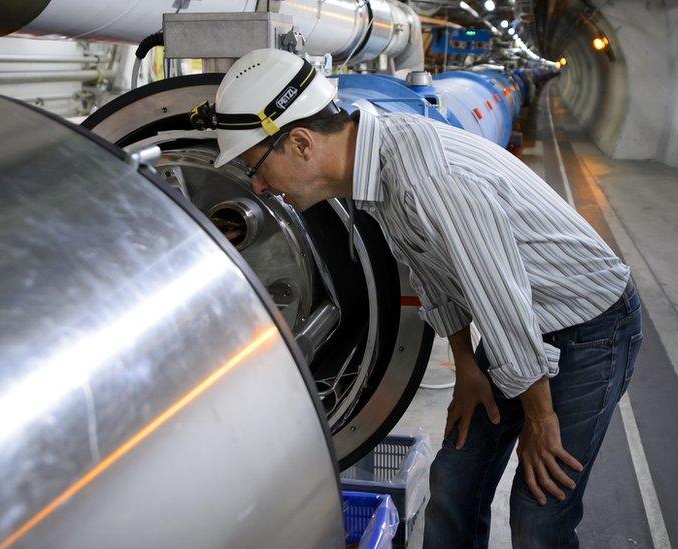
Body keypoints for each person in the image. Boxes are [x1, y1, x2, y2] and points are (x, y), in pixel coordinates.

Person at [196, 48, 644, 548]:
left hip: (589, 323)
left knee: (539, 509)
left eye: (256, 167)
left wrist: (539, 419)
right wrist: (467, 368)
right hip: (520, 325)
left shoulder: (427, 177)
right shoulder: (374, 162)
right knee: (455, 476)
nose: (259, 187)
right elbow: (430, 269)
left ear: (300, 143)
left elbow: (500, 299)